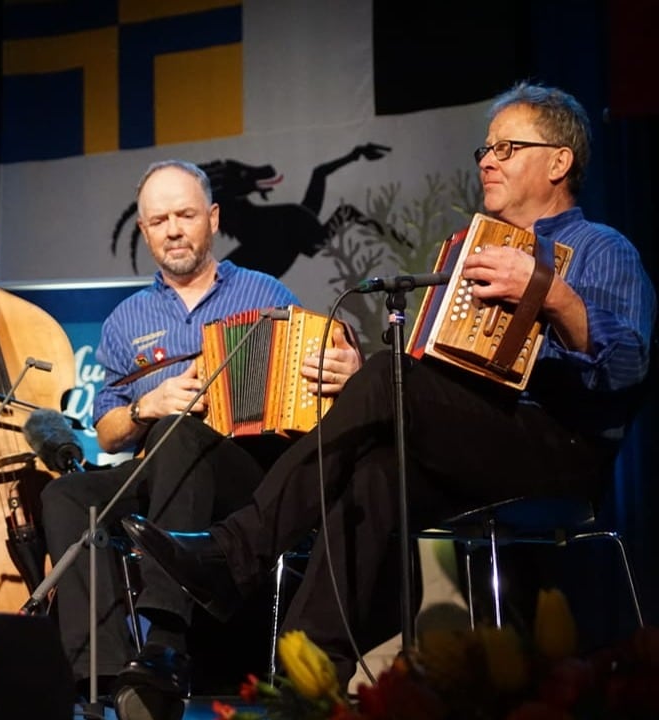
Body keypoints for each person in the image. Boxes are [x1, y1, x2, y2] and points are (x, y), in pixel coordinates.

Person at [121, 82, 657, 689]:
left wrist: (548, 290)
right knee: (375, 468)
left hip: (561, 448)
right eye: (486, 148)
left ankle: (233, 552)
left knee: (387, 378)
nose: (487, 159)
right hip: (485, 439)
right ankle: (311, 676)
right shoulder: (478, 250)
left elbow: (627, 367)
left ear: (560, 161)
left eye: (508, 148)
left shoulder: (600, 248)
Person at [36, 159, 363, 719]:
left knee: (182, 432)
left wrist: (345, 366)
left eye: (185, 214)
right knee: (64, 495)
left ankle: (165, 643)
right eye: (158, 219)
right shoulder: (124, 319)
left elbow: (314, 375)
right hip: (159, 467)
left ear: (212, 219)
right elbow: (110, 432)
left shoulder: (264, 292)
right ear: (144, 231)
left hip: (247, 479)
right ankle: (104, 675)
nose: (172, 229)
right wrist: (146, 405)